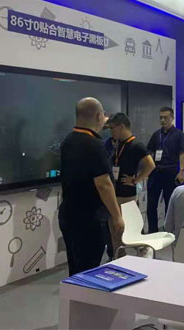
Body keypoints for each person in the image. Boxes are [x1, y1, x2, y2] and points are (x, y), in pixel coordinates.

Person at [58, 98, 124, 276]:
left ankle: (75, 293)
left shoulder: (68, 141)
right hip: (89, 219)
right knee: (89, 268)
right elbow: (104, 184)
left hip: (69, 215)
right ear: (99, 116)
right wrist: (117, 215)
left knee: (76, 267)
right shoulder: (94, 145)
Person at [107, 113, 155, 256]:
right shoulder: (117, 144)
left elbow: (150, 165)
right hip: (114, 194)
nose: (111, 132)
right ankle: (118, 259)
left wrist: (135, 180)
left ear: (121, 127)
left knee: (128, 231)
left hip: (126, 196)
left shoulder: (136, 145)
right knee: (115, 233)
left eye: (112, 128)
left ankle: (144, 252)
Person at [146, 107, 184, 234]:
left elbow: (182, 153)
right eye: (161, 118)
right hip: (156, 172)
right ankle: (152, 231)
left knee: (170, 203)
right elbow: (149, 152)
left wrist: (181, 171)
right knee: (151, 204)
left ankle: (168, 231)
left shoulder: (179, 134)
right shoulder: (156, 134)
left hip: (171, 172)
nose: (163, 120)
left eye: (165, 117)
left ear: (172, 118)